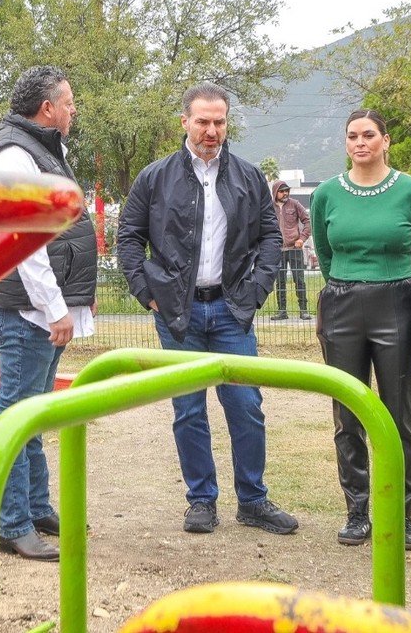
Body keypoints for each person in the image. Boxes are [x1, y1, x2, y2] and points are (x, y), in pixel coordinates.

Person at [116, 81, 299, 536]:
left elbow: (271, 239)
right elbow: (128, 239)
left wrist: (256, 291)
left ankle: (253, 500)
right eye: (202, 121)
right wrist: (148, 293)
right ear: (184, 122)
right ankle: (201, 500)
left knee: (246, 406)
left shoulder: (249, 177)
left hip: (232, 310)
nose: (211, 130)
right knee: (189, 411)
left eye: (219, 121)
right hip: (178, 316)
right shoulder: (154, 177)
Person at [0, 65, 97, 562]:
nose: (73, 111)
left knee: (35, 412)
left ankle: (36, 506)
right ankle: (11, 524)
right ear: (47, 109)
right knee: (16, 415)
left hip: (41, 308)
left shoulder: (40, 148)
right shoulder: (13, 155)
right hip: (27, 310)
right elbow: (23, 243)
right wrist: (54, 309)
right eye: (68, 103)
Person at [309, 108, 411, 550]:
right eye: (352, 136)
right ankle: (357, 510)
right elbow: (324, 251)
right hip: (341, 303)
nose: (360, 143)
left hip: (398, 304)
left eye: (368, 135)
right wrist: (343, 284)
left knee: (401, 414)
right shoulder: (325, 194)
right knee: (348, 414)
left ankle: (402, 513)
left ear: (386, 140)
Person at [269, 179, 312, 320]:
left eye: (287, 190)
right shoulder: (269, 206)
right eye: (282, 191)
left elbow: (307, 221)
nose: (285, 193)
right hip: (277, 250)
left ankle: (303, 310)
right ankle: (282, 311)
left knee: (299, 279)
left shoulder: (295, 204)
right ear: (275, 192)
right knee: (280, 282)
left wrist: (302, 238)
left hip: (295, 248)